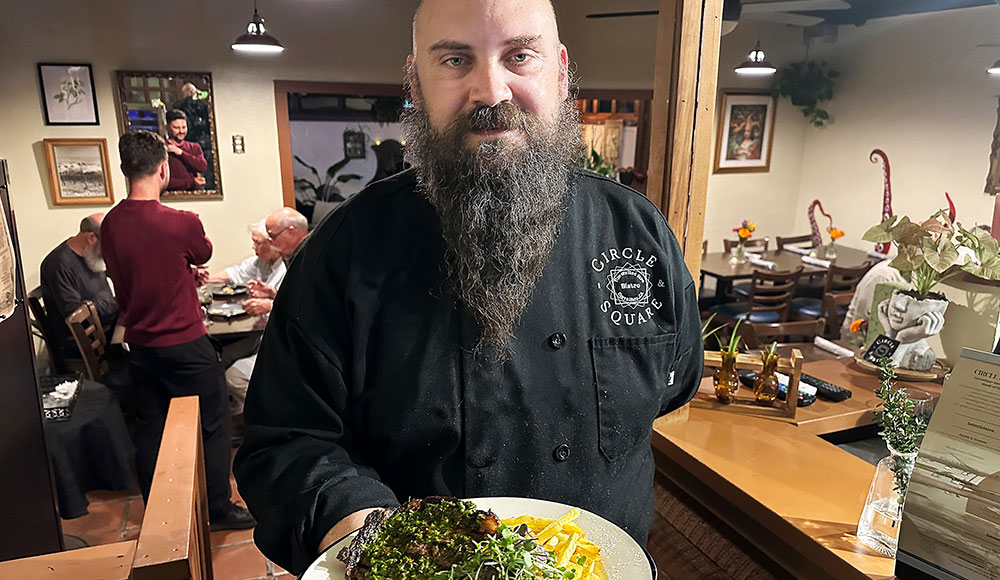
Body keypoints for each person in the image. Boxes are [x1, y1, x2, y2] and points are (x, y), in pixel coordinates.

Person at [233, 0, 702, 573]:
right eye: (456, 60)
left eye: (519, 56)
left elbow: (676, 386)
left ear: (559, 69)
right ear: (416, 81)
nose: (491, 91)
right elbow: (286, 442)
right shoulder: (343, 252)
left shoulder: (639, 234)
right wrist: (386, 548)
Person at [102, 130, 254, 531]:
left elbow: (139, 270)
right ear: (164, 169)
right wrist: (186, 266)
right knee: (214, 420)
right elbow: (201, 250)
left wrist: (181, 272)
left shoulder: (111, 224)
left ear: (124, 169)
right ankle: (217, 507)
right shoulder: (181, 221)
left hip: (140, 344)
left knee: (151, 425)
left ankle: (160, 511)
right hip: (183, 342)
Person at [220, 209, 308, 415]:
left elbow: (310, 305)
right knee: (220, 356)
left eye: (272, 236)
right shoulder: (292, 255)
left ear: (292, 232)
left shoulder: (309, 254)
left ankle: (271, 421)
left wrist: (271, 305)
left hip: (297, 346)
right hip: (282, 337)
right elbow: (297, 298)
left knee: (234, 375)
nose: (270, 241)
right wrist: (274, 294)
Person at [39, 213, 118, 362]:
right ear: (91, 238)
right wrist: (116, 303)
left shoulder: (91, 255)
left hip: (106, 326)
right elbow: (74, 313)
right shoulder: (58, 264)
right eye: (108, 244)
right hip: (83, 341)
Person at [164, 109, 207, 191]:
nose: (181, 131)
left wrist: (180, 153)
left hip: (194, 197)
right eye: (176, 128)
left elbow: (202, 166)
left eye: (184, 127)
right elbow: (163, 181)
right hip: (171, 198)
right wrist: (192, 182)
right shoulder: (161, 149)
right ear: (167, 127)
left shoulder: (194, 147)